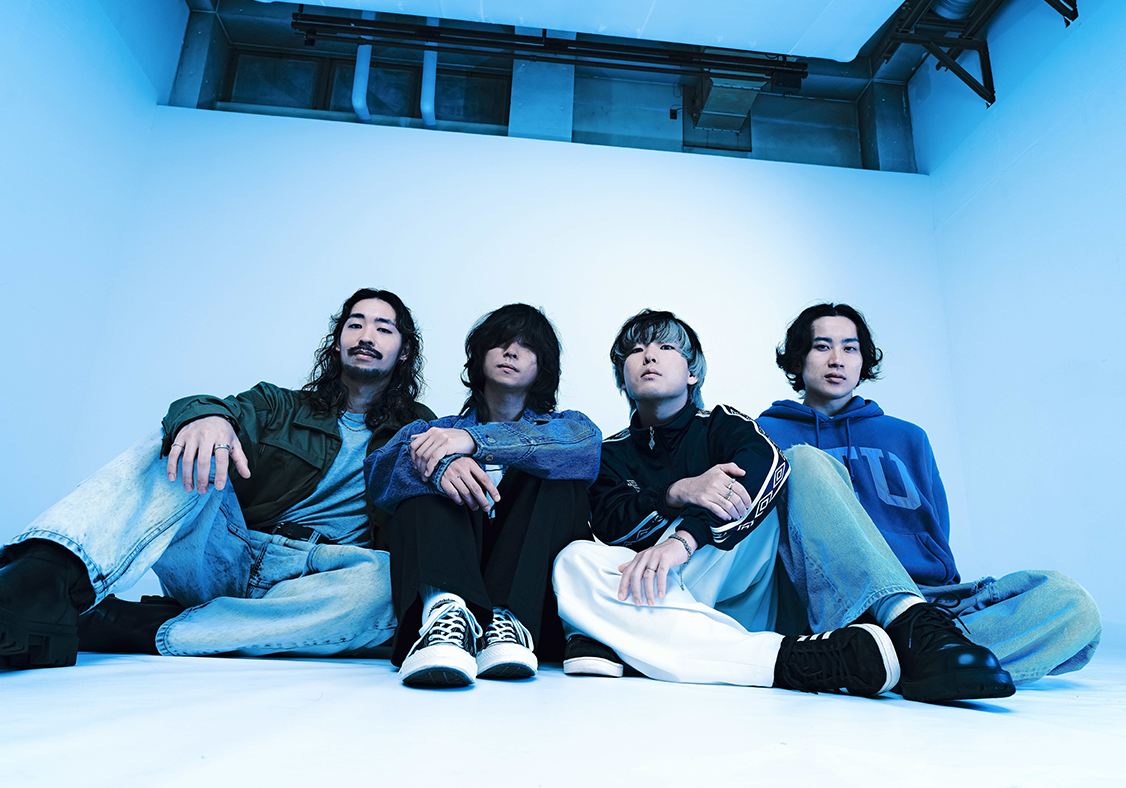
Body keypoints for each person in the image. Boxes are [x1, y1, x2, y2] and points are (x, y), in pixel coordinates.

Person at [553, 309, 1016, 702]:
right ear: (623, 377)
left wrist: (685, 537)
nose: (649, 355)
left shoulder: (724, 424)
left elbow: (765, 470)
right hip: (659, 589)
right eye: (635, 351)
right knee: (574, 559)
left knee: (787, 473)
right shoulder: (608, 452)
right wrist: (676, 492)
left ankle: (621, 639)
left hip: (730, 583)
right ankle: (801, 659)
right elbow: (610, 523)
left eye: (666, 347)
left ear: (693, 373)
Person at [0, 288, 434, 667]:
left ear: (404, 350)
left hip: (318, 578)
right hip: (229, 551)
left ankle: (133, 625)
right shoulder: (280, 404)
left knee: (388, 585)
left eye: (383, 329)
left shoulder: (418, 429)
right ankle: (41, 576)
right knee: (189, 442)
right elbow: (212, 409)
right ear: (337, 342)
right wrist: (208, 417)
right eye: (355, 324)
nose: (366, 336)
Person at [757, 303, 1101, 684]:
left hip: (928, 603)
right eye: (822, 346)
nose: (837, 359)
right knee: (805, 460)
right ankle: (909, 649)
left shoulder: (908, 437)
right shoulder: (764, 435)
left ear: (863, 359)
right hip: (828, 602)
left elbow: (936, 530)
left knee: (1072, 605)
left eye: (850, 348)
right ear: (798, 358)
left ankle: (889, 657)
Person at [366, 304, 600, 688]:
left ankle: (508, 625)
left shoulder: (567, 427)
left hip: (530, 596)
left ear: (543, 367)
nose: (511, 352)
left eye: (527, 346)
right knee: (421, 463)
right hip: (456, 572)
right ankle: (444, 618)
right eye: (500, 342)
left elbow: (584, 447)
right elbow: (378, 472)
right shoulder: (436, 430)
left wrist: (475, 441)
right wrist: (441, 466)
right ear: (479, 355)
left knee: (556, 473)